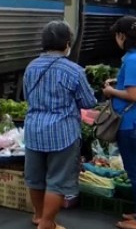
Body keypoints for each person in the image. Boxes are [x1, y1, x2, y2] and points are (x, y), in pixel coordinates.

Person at [23, 21, 96, 229]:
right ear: (67, 43)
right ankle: (47, 223)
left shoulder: (31, 67)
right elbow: (88, 102)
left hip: (34, 130)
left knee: (35, 178)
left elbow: (27, 96)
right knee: (58, 181)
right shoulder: (73, 70)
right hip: (62, 133)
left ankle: (39, 216)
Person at [104, 16, 136, 229]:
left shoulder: (133, 59)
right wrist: (119, 83)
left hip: (131, 123)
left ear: (122, 36)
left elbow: (133, 94)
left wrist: (110, 91)